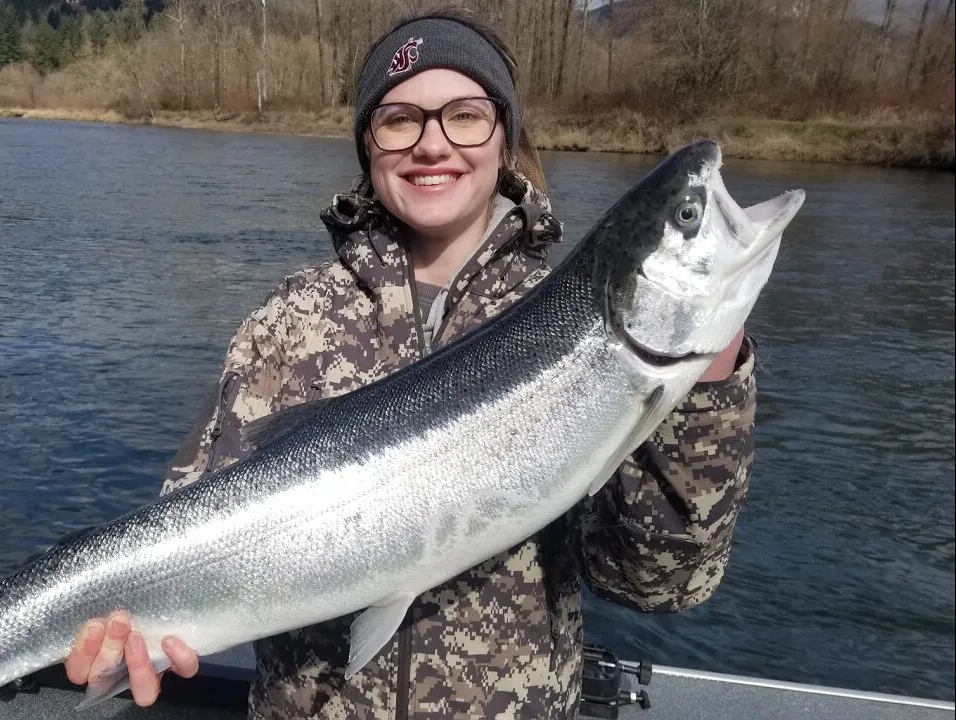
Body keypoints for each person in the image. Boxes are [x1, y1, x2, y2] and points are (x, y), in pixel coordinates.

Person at [65, 8, 757, 719]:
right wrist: (124, 628)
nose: (432, 144)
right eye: (399, 119)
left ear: (505, 136)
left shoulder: (568, 328)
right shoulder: (286, 321)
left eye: (464, 115)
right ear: (368, 143)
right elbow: (189, 515)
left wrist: (707, 379)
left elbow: (657, 582)